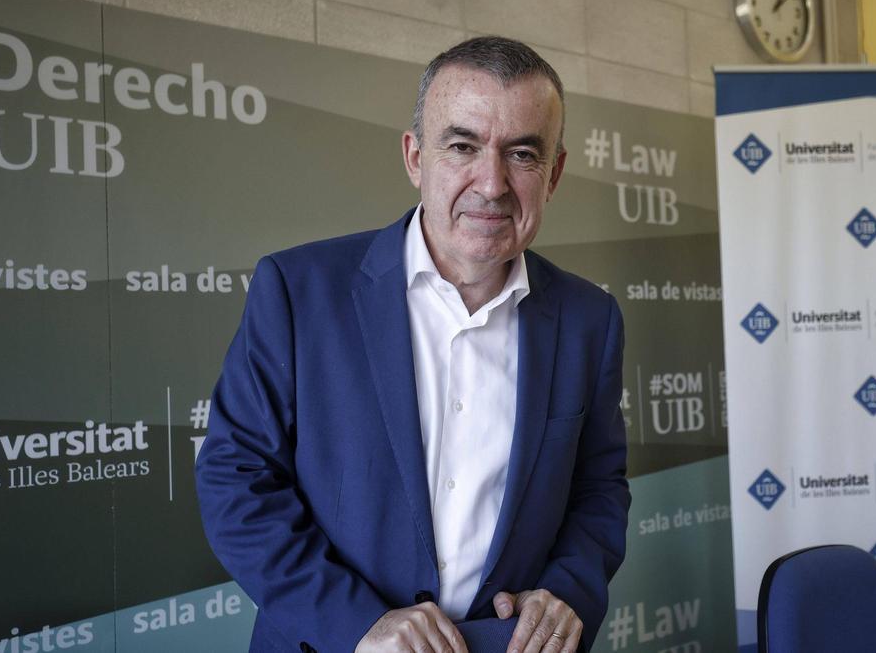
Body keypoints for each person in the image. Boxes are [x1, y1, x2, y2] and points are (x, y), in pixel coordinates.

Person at [196, 36, 630, 653]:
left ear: (554, 173)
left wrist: (570, 589)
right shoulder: (299, 291)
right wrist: (357, 624)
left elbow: (598, 486)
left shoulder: (591, 320)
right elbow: (234, 481)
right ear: (415, 157)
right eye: (462, 146)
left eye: (523, 153)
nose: (492, 183)